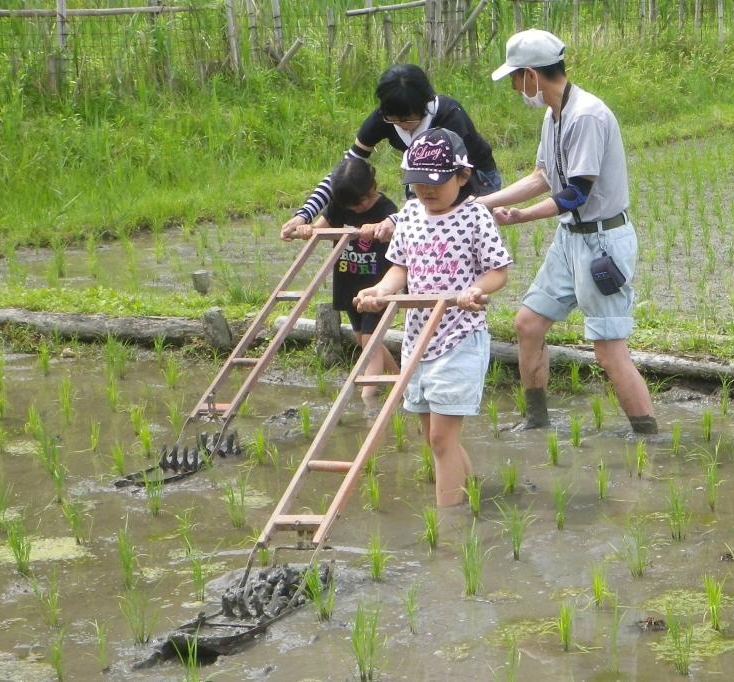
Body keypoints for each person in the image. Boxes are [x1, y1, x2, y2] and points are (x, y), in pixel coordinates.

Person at [478, 29, 658, 435]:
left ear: (530, 75)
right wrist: (482, 203)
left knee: (609, 352)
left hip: (602, 243)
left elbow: (576, 192)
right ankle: (536, 420)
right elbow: (544, 175)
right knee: (528, 324)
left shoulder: (587, 115)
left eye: (514, 78)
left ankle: (649, 436)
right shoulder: (553, 113)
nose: (513, 87)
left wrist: (521, 217)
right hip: (569, 239)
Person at [354, 128, 512, 507]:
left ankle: (449, 524)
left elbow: (498, 271)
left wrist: (476, 289)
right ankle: (475, 499)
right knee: (434, 438)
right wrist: (381, 291)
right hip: (417, 338)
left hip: (459, 336)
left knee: (441, 439)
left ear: (462, 176)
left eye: (435, 182)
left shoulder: (475, 215)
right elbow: (399, 269)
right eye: (418, 182)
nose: (426, 191)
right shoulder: (408, 215)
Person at [280, 63, 501, 241]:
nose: (402, 125)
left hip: (469, 177)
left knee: (454, 236)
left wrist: (396, 219)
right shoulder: (383, 119)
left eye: (408, 120)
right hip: (425, 177)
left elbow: (451, 184)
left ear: (425, 106)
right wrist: (304, 214)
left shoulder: (450, 117)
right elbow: (344, 171)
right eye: (393, 120)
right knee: (418, 240)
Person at [280, 157, 400, 407]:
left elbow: (399, 233)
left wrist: (377, 227)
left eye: (362, 203)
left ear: (373, 187)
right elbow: (320, 228)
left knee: (370, 340)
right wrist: (305, 230)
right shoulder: (339, 205)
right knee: (362, 337)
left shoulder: (386, 210)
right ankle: (401, 381)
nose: (356, 210)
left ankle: (368, 400)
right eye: (350, 207)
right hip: (348, 282)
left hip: (378, 286)